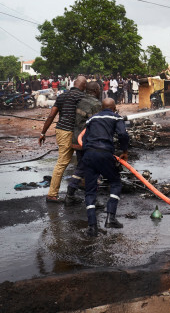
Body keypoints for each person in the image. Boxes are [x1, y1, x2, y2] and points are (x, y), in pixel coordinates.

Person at [80, 98, 129, 237]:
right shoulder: (116, 117)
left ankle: (92, 227)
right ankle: (110, 218)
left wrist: (89, 152)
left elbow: (84, 139)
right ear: (114, 107)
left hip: (89, 155)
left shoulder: (91, 119)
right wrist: (124, 151)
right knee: (115, 183)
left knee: (90, 192)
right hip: (105, 153)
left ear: (102, 107)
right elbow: (123, 134)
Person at [38, 76, 87, 203]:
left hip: (60, 130)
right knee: (76, 160)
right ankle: (52, 194)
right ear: (83, 86)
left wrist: (43, 133)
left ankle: (78, 185)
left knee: (65, 161)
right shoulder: (82, 97)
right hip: (75, 133)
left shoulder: (62, 96)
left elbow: (51, 115)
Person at [65, 81, 103, 205]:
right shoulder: (96, 104)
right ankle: (90, 199)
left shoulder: (81, 100)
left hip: (77, 140)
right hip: (88, 141)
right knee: (93, 168)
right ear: (96, 90)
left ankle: (70, 194)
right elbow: (97, 124)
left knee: (81, 166)